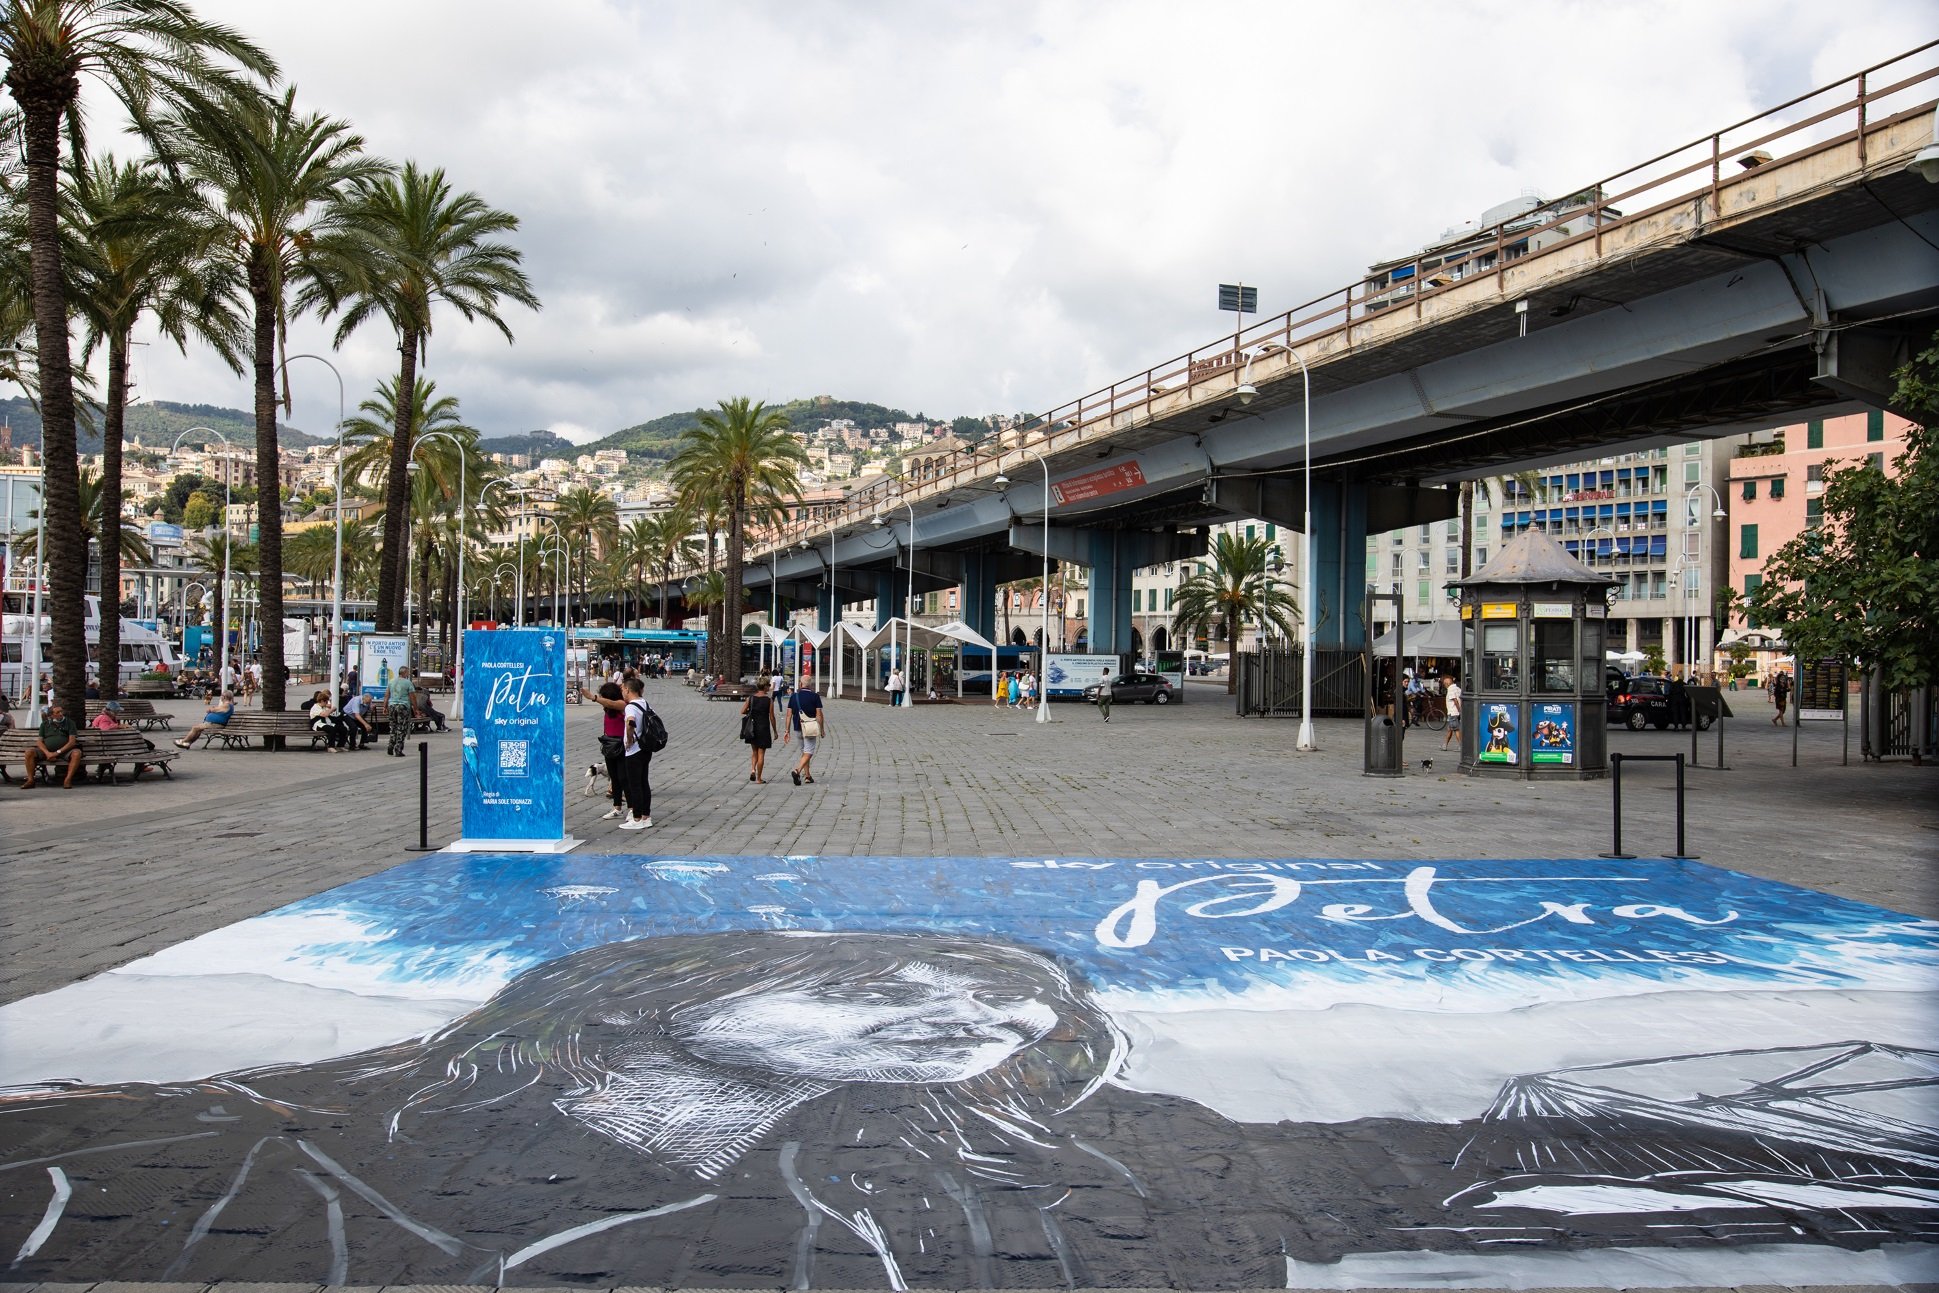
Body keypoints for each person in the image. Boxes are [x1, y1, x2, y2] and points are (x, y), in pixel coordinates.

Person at [618, 676, 656, 830]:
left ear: (627, 689)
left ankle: (637, 817)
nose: (622, 692)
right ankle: (646, 816)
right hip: (646, 748)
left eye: (622, 690)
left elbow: (631, 722)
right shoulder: (645, 703)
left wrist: (628, 739)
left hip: (634, 750)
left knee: (634, 784)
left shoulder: (630, 706)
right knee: (643, 782)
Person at [591, 681, 629, 819]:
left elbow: (612, 703)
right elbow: (608, 705)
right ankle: (617, 807)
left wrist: (594, 698)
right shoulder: (608, 709)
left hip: (621, 744)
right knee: (614, 778)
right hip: (609, 744)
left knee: (624, 778)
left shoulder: (622, 705)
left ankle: (632, 808)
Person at [22, 701, 82, 789]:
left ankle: (67, 780)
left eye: (61, 711)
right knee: (29, 752)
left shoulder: (70, 723)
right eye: (58, 712)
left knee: (77, 753)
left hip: (64, 751)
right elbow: (39, 741)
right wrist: (47, 753)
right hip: (47, 751)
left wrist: (57, 753)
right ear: (51, 715)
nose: (61, 714)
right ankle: (30, 780)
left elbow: (72, 742)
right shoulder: (45, 724)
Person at [784, 675, 826, 785]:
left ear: (800, 683)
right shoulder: (815, 696)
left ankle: (807, 776)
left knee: (804, 752)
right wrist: (822, 729)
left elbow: (788, 715)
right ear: (810, 684)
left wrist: (787, 731)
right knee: (809, 752)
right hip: (810, 728)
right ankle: (797, 770)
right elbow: (819, 715)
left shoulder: (794, 697)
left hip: (798, 728)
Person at [740, 678, 780, 784]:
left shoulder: (751, 698)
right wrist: (775, 731)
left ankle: (753, 769)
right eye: (768, 685)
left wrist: (752, 710)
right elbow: (772, 717)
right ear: (765, 686)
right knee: (761, 753)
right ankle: (759, 778)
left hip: (752, 728)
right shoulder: (769, 700)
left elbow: (742, 711)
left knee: (754, 752)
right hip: (763, 728)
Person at [386, 664, 415, 756]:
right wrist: (416, 708)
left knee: (393, 726)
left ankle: (390, 745)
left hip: (392, 706)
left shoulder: (391, 681)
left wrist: (384, 706)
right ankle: (398, 749)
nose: (409, 674)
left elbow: (387, 695)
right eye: (408, 672)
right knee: (401, 728)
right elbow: (412, 697)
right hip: (403, 706)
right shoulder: (408, 683)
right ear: (405, 673)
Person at [1441, 673, 1462, 750]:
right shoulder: (1458, 689)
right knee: (1450, 729)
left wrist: (1459, 710)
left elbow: (1455, 700)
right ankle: (1445, 745)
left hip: (1453, 712)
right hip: (1455, 713)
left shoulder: (1450, 690)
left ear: (1446, 684)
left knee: (1456, 729)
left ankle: (1461, 745)